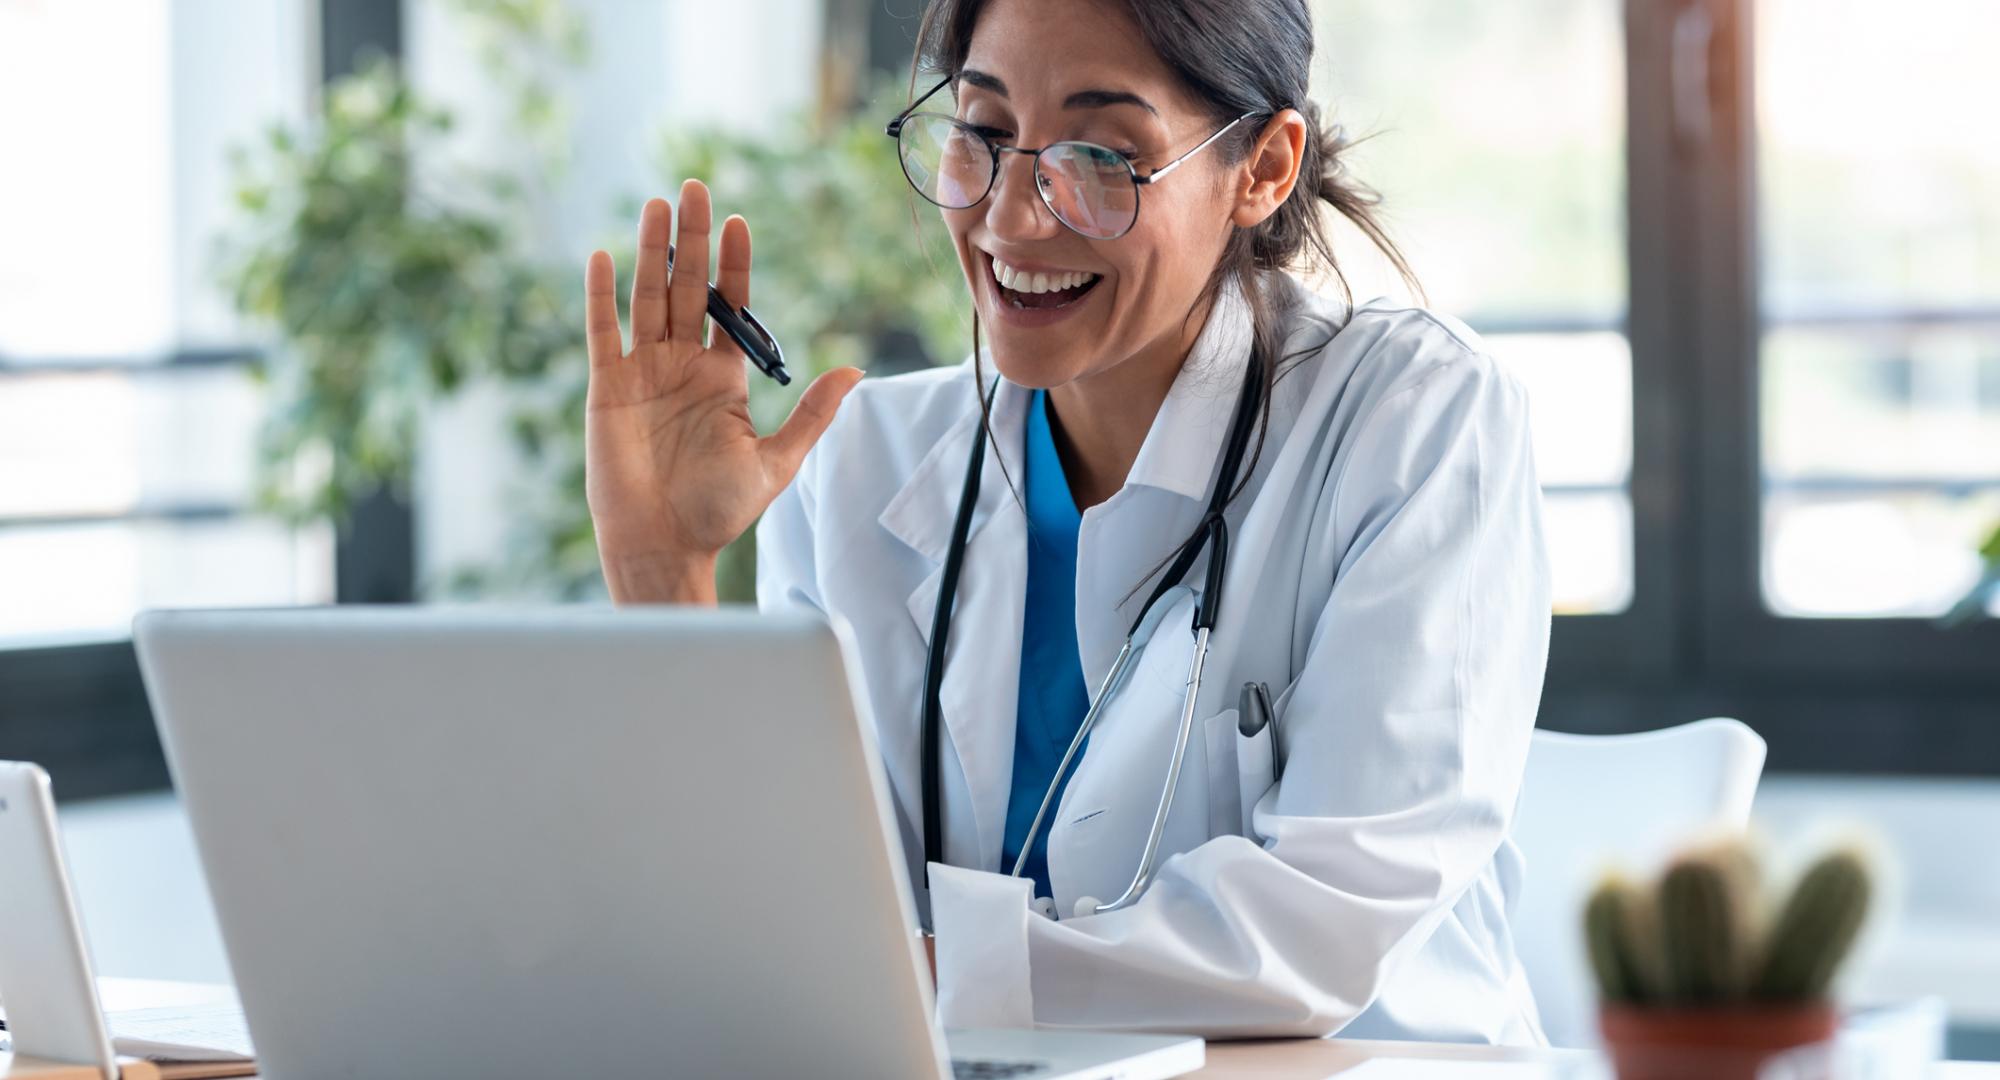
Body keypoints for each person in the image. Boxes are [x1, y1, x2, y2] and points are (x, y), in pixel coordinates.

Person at [579, 0, 1551, 1044]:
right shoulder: (858, 466)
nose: (1012, 217)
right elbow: (776, 925)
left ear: (1262, 168)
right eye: (983, 135)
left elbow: (1316, 935)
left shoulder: (1411, 421)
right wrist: (662, 578)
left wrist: (913, 977)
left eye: (1100, 153)